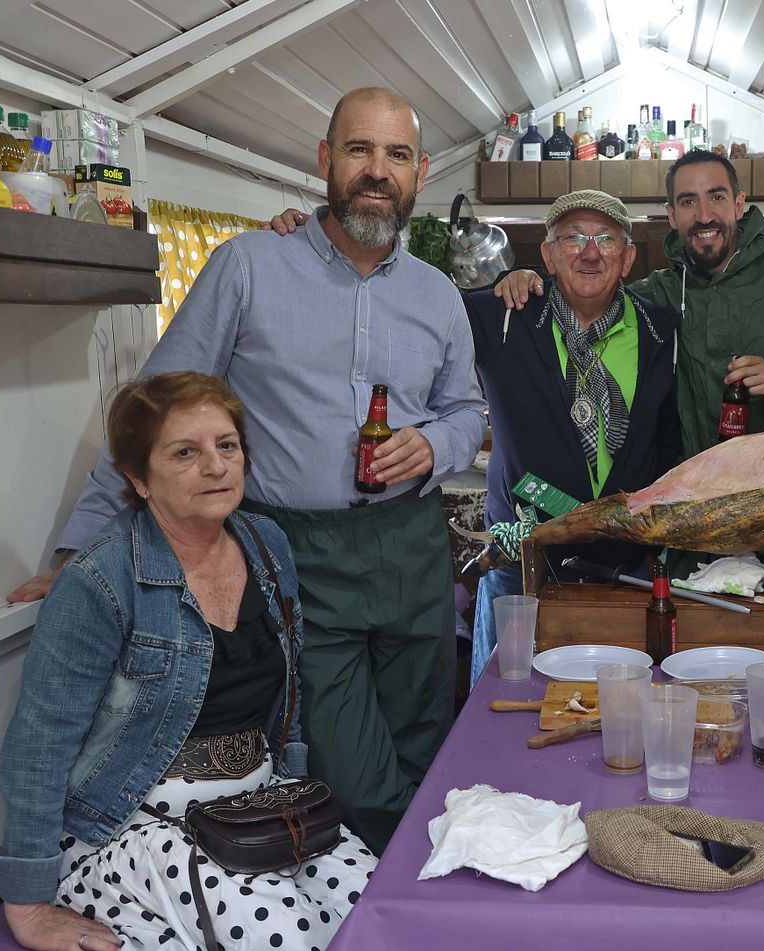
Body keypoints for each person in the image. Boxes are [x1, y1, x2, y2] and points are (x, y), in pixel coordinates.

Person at [8, 88, 487, 854]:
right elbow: (155, 416)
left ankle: (411, 944)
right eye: (360, 150)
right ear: (325, 159)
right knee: (351, 771)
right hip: (296, 553)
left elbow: (466, 408)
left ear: (421, 171)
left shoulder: (438, 295)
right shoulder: (249, 265)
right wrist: (79, 551)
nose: (377, 170)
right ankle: (376, 927)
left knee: (425, 740)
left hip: (411, 547)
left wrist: (438, 445)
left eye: (397, 155)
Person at [0, 372, 378, 951]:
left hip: (261, 801)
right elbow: (39, 742)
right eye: (184, 452)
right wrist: (26, 905)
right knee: (283, 939)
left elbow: (291, 692)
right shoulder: (99, 581)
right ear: (139, 478)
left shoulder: (266, 545)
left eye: (227, 445)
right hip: (137, 824)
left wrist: (291, 780)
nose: (214, 466)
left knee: (371, 914)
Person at [266, 190, 681, 686]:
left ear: (628, 257)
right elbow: (394, 302)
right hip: (522, 560)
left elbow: (673, 438)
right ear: (547, 254)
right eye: (571, 238)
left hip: (628, 560)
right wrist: (316, 243)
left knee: (622, 697)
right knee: (505, 704)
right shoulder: (500, 315)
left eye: (606, 239)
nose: (589, 252)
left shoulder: (663, 330)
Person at [493, 151, 764, 662]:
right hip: (692, 538)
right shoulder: (657, 295)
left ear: (740, 203)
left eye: (716, 197)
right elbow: (587, 290)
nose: (704, 214)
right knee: (703, 672)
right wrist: (528, 280)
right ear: (671, 214)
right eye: (688, 201)